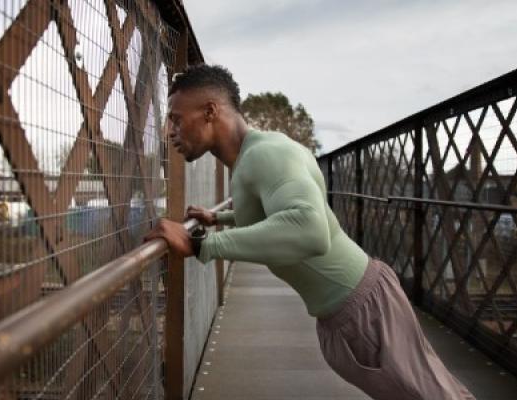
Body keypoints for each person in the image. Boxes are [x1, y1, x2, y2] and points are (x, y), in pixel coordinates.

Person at [144, 64, 475, 400]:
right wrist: (220, 219)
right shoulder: (261, 151)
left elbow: (310, 228)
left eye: (176, 118)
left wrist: (200, 243)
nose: (170, 131)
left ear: (210, 111)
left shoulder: (265, 155)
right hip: (354, 305)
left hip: (363, 311)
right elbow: (273, 213)